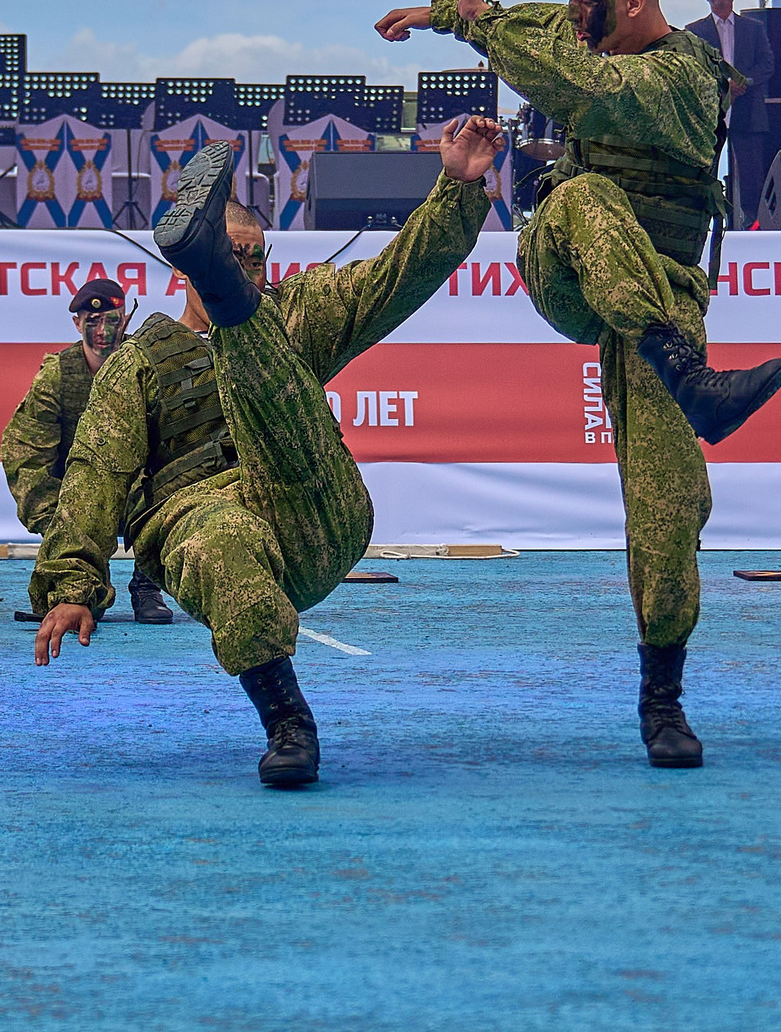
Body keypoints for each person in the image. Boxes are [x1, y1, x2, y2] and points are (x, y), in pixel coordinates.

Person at [377, 0, 781, 770]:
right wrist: (452, 15)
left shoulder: (682, 73)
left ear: (633, 2)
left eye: (587, 1)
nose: (573, 16)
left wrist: (480, 21)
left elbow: (581, 83)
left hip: (662, 294)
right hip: (568, 264)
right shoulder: (588, 34)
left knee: (669, 502)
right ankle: (691, 379)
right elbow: (530, 24)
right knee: (582, 194)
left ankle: (663, 697)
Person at [31, 119, 504, 789]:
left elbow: (393, 279)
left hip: (310, 512)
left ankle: (236, 316)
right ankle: (289, 724)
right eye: (230, 258)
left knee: (264, 351)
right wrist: (74, 586)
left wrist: (455, 189)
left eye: (253, 259)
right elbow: (94, 474)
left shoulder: (295, 312)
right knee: (221, 536)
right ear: (182, 269)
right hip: (204, 524)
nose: (251, 269)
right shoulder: (138, 362)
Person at [0, 278, 173, 625]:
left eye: (112, 320)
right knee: (73, 592)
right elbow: (25, 455)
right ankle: (76, 581)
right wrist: (58, 524)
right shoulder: (58, 376)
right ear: (77, 323)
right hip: (78, 497)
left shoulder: (148, 366)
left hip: (139, 494)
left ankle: (147, 583)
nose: (103, 331)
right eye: (93, 321)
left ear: (125, 319)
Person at [686, 0, 780, 230]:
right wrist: (723, 86)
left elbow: (767, 64)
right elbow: (691, 68)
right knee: (704, 169)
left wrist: (744, 83)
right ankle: (701, 223)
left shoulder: (753, 28)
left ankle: (754, 223)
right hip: (710, 111)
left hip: (748, 109)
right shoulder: (694, 32)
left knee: (751, 172)